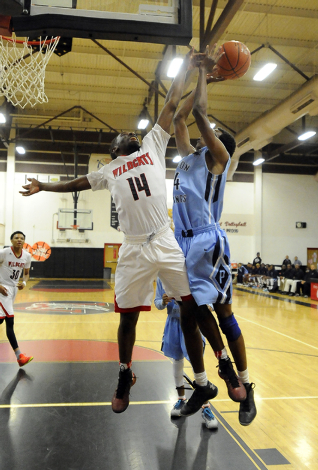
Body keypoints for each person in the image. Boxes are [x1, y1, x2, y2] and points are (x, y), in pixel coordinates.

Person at [20, 49, 219, 415]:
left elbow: (173, 101)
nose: (128, 132)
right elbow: (78, 182)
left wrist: (188, 69)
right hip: (132, 247)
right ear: (114, 151)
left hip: (163, 236)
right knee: (128, 317)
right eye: (122, 135)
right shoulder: (110, 170)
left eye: (129, 132)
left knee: (192, 305)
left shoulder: (152, 145)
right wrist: (45, 188)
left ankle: (218, 370)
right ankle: (125, 374)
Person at [172, 46, 256, 426]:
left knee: (223, 314)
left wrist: (205, 71)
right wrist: (195, 74)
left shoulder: (218, 158)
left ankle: (245, 384)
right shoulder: (189, 156)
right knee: (187, 315)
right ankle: (208, 379)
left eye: (216, 135)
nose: (210, 133)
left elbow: (201, 113)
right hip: (183, 245)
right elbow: (180, 117)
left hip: (208, 243)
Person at [154, 278, 218, 429]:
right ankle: (181, 399)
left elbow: (211, 298)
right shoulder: (162, 277)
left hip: (192, 323)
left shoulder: (192, 272)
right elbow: (157, 302)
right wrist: (163, 302)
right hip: (173, 323)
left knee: (198, 364)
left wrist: (209, 306)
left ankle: (206, 407)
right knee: (177, 361)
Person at [0, 231, 33, 367]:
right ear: (11, 240)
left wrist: (24, 283)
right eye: (16, 238)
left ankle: (20, 356)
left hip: (13, 290)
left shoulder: (27, 256)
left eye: (22, 238)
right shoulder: (4, 252)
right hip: (2, 289)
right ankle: (19, 356)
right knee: (10, 321)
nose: (19, 240)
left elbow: (26, 274)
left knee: (5, 321)